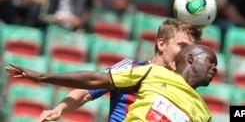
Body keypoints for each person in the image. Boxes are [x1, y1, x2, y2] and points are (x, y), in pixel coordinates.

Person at [38, 18, 203, 122]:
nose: (187, 54)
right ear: (161, 44)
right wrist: (58, 109)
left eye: (191, 49)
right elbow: (86, 91)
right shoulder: (132, 68)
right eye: (182, 46)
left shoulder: (184, 89)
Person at [5, 44, 217, 122]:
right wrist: (42, 77)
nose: (215, 68)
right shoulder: (151, 72)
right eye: (211, 61)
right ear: (190, 59)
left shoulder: (204, 113)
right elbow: (96, 81)